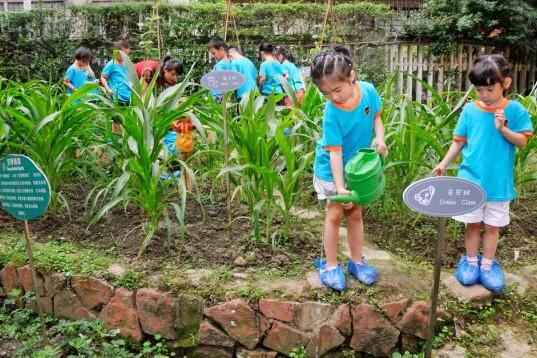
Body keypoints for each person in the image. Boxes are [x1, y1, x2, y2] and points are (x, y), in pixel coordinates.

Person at [433, 54, 533, 293]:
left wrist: (503, 129)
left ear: (505, 84)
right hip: (470, 182)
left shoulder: (516, 110)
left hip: (499, 183)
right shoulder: (470, 110)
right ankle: (470, 261)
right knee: (472, 224)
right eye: (479, 90)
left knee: (493, 227)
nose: (484, 95)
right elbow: (458, 142)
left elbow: (522, 142)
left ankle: (487, 265)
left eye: (490, 89)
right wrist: (444, 163)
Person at [310, 46, 387, 291]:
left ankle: (356, 261)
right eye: (326, 92)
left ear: (351, 76)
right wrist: (340, 187)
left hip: (357, 168)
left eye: (337, 89)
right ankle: (331, 265)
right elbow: (335, 152)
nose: (333, 96)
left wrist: (380, 139)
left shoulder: (369, 92)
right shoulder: (332, 112)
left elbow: (377, 118)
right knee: (334, 215)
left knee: (355, 213)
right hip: (332, 168)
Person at [101, 39, 132, 105]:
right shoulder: (112, 64)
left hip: (128, 96)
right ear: (117, 52)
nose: (124, 56)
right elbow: (103, 77)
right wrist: (108, 89)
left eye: (126, 54)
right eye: (123, 54)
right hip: (116, 97)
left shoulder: (127, 64)